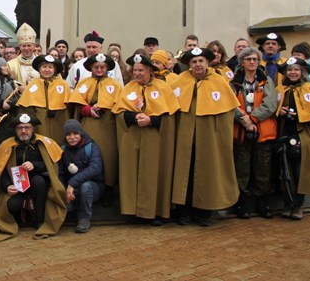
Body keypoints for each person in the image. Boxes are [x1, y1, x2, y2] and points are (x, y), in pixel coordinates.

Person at [170, 47, 240, 226]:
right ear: (189, 65)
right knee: (185, 173)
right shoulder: (180, 81)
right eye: (194, 62)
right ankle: (184, 212)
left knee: (207, 172)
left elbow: (227, 112)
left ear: (207, 62)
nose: (198, 65)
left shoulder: (218, 81)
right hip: (185, 138)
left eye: (201, 61)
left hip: (208, 138)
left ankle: (204, 212)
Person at [113, 54, 179, 225]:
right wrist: (134, 117)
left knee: (153, 174)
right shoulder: (128, 88)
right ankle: (133, 211)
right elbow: (119, 114)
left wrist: (152, 120)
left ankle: (155, 212)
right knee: (132, 173)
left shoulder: (163, 88)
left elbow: (170, 117)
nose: (137, 73)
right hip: (133, 136)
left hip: (154, 139)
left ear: (150, 70)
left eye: (141, 70)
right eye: (135, 70)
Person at [0, 113, 66, 242]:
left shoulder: (42, 143)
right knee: (11, 205)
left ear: (33, 128)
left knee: (38, 182)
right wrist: (7, 186)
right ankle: (20, 221)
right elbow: (2, 172)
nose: (24, 131)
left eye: (27, 127)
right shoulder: (8, 145)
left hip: (38, 186)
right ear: (15, 130)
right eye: (20, 128)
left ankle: (39, 221)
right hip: (17, 186)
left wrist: (35, 165)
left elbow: (51, 167)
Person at [275, 57, 310, 220]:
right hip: (284, 135)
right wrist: (279, 112)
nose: (293, 72)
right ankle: (287, 204)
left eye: (296, 69)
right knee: (285, 172)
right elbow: (273, 110)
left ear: (302, 72)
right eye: (290, 70)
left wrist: (301, 114)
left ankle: (298, 205)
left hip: (303, 137)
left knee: (300, 172)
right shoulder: (280, 90)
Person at [230, 47, 278, 219]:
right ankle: (242, 202)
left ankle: (261, 202)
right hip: (241, 130)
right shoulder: (234, 81)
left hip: (262, 130)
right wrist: (244, 119)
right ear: (242, 62)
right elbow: (231, 103)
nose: (252, 62)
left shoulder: (266, 81)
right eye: (248, 59)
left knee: (263, 167)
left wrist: (254, 119)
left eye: (255, 59)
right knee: (241, 166)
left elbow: (270, 104)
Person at [68, 53, 122, 204]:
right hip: (89, 124)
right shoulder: (84, 83)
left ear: (107, 68)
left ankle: (107, 191)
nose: (99, 69)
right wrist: (87, 109)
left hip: (108, 126)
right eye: (96, 67)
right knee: (87, 155)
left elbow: (120, 104)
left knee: (108, 156)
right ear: (91, 67)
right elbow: (77, 104)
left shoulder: (115, 84)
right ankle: (86, 187)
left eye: (102, 67)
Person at [59, 119, 104, 233]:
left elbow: (95, 168)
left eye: (75, 134)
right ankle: (71, 207)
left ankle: (84, 218)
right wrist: (64, 189)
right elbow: (60, 172)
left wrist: (72, 183)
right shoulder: (62, 150)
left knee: (86, 186)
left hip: (93, 187)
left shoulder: (92, 147)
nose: (72, 137)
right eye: (68, 134)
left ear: (81, 134)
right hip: (72, 190)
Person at [17, 55, 71, 145]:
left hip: (58, 120)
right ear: (39, 69)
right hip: (40, 121)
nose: (47, 70)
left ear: (55, 70)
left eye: (50, 67)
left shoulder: (62, 84)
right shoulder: (33, 84)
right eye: (44, 67)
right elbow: (25, 106)